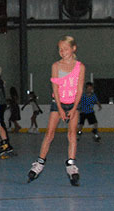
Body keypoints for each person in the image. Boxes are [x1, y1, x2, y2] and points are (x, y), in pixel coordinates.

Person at [27, 36, 85, 186]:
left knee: (72, 134)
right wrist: (59, 108)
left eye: (65, 49)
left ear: (73, 49)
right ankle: (39, 163)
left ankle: (71, 165)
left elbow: (79, 90)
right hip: (58, 103)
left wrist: (73, 108)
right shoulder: (56, 66)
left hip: (74, 104)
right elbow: (55, 89)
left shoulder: (80, 67)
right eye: (60, 49)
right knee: (49, 133)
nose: (62, 52)